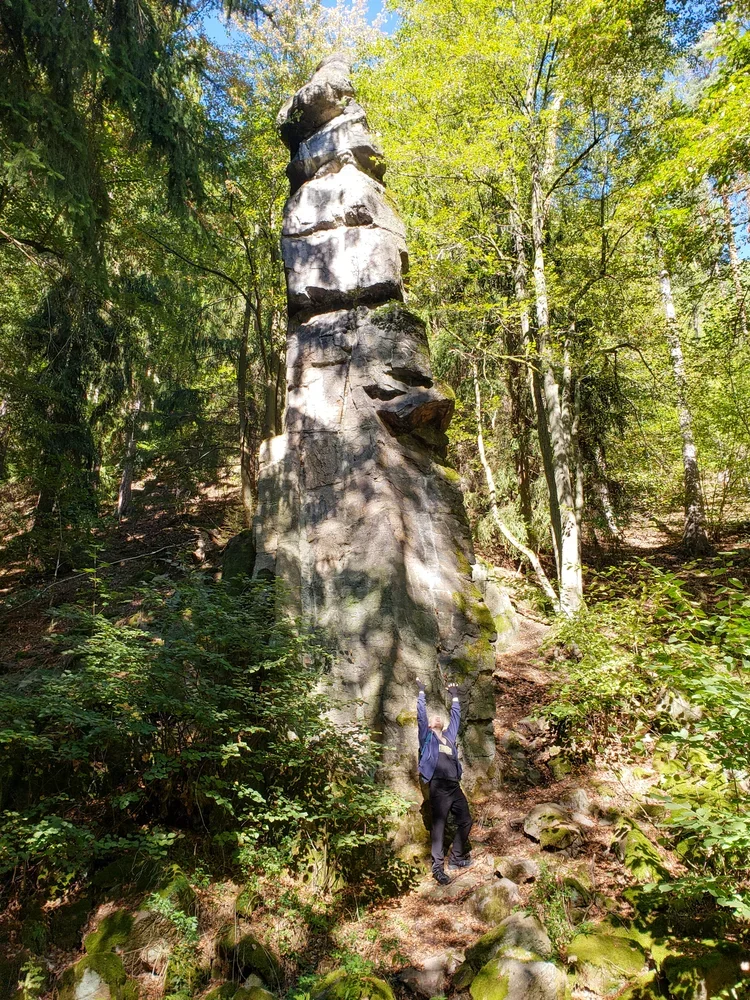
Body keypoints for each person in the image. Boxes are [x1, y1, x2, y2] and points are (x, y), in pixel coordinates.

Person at [416, 676, 473, 884]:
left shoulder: (449, 738)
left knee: (466, 820)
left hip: (454, 786)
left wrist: (455, 697)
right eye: (434, 719)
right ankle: (437, 868)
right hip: (438, 786)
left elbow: (456, 719)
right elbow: (421, 718)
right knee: (438, 828)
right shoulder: (427, 738)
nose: (437, 719)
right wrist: (422, 693)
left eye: (440, 718)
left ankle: (457, 857)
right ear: (430, 726)